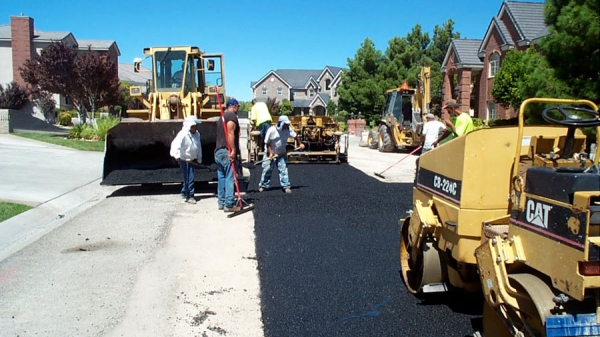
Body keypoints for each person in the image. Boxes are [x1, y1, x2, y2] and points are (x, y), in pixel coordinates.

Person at [258, 116, 305, 194]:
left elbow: (295, 135)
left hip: (281, 153)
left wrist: (300, 144)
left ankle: (286, 186)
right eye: (286, 124)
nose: (287, 125)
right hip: (270, 152)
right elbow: (267, 143)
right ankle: (263, 186)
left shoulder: (288, 130)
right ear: (281, 123)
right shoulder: (272, 130)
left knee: (283, 170)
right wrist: (270, 153)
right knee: (267, 169)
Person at [215, 98, 241, 212]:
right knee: (230, 177)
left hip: (218, 151)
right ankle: (229, 204)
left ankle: (221, 202)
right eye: (238, 107)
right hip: (226, 150)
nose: (238, 109)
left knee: (222, 177)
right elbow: (230, 133)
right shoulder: (231, 116)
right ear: (234, 106)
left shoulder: (222, 117)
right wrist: (233, 150)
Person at [170, 115, 203, 204]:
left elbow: (198, 147)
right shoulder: (183, 134)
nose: (196, 127)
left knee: (188, 177)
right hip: (184, 160)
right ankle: (190, 196)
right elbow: (175, 145)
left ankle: (184, 192)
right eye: (195, 125)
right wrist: (176, 156)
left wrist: (199, 159)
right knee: (189, 177)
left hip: (191, 159)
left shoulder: (197, 134)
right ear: (190, 126)